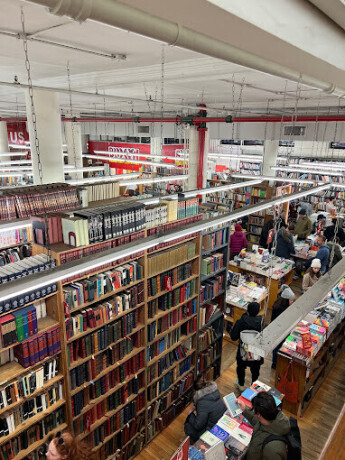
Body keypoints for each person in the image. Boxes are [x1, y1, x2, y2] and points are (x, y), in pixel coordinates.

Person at [236, 392, 291, 460]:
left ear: (259, 415)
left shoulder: (272, 449)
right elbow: (255, 420)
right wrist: (244, 408)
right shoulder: (269, 420)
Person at [230, 302, 264, 391]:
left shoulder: (240, 322)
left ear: (247, 310)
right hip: (256, 352)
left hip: (243, 351)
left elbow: (233, 337)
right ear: (258, 311)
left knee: (241, 367)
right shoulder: (262, 323)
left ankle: (241, 385)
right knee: (256, 370)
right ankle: (254, 386)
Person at [184, 376, 226, 442]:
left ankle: (198, 442)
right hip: (221, 424)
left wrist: (190, 415)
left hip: (212, 432)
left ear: (195, 391)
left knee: (187, 426)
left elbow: (198, 425)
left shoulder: (202, 402)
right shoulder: (215, 392)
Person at [271, 285, 296, 369]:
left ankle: (275, 362)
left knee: (277, 346)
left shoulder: (278, 303)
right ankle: (275, 363)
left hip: (276, 329)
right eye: (291, 300)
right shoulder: (281, 309)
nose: (292, 302)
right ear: (286, 300)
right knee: (278, 347)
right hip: (279, 330)